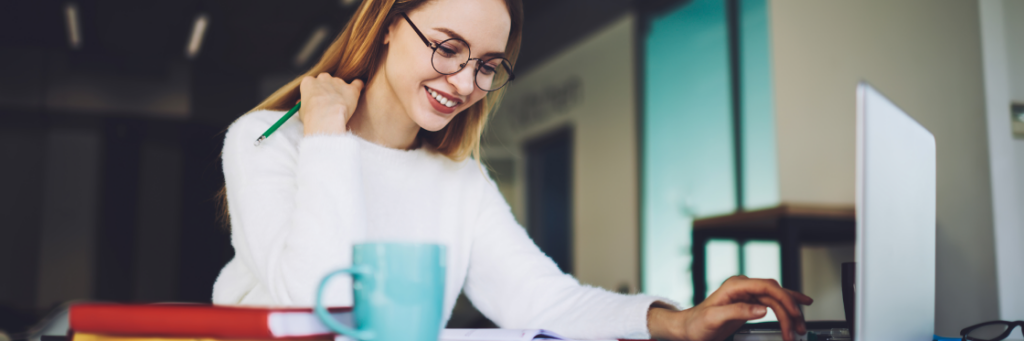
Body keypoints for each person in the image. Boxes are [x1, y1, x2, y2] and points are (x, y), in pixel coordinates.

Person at [211, 0, 813, 340]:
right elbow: (321, 304)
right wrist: (325, 136)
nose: (465, 84)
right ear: (391, 22)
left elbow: (544, 303)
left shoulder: (458, 180)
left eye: (487, 65)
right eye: (447, 47)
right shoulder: (267, 144)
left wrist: (678, 323)